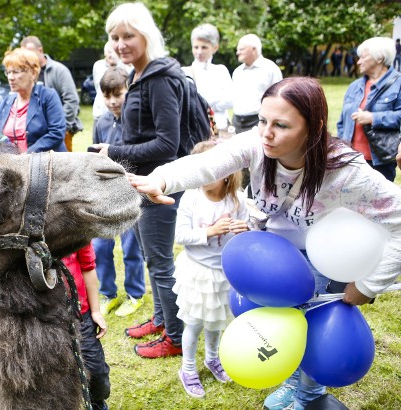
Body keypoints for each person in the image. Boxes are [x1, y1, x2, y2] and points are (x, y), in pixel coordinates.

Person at [128, 76, 401, 409]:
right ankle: (291, 382)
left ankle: (308, 392)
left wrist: (370, 285)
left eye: (281, 125)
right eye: (262, 120)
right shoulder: (258, 144)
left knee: (310, 330)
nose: (266, 133)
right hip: (267, 256)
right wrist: (160, 178)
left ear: (313, 128)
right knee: (280, 327)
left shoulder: (346, 172)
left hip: (317, 260)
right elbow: (207, 163)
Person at [93, 2, 205, 359]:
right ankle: (160, 319)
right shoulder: (138, 76)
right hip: (139, 182)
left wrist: (113, 151)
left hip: (159, 183)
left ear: (146, 35)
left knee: (160, 262)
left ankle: (174, 336)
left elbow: (167, 144)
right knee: (148, 257)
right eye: (115, 37)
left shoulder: (159, 79)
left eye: (128, 35)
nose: (121, 43)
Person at [173, 140, 249, 398]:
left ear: (227, 172)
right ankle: (188, 368)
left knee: (216, 321)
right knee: (194, 323)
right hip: (197, 271)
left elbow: (247, 232)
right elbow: (180, 236)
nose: (202, 178)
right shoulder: (191, 198)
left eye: (209, 172)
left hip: (223, 272)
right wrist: (210, 231)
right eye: (199, 171)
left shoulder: (238, 201)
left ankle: (212, 358)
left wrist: (244, 230)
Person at [92, 67, 145, 317]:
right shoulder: (100, 121)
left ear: (128, 92)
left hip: (131, 192)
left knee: (131, 247)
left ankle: (135, 294)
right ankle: (107, 293)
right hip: (105, 195)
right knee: (100, 247)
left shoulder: (135, 121)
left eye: (118, 94)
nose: (113, 101)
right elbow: (92, 156)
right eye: (107, 96)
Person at [337, 37, 401, 182]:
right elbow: (342, 122)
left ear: (380, 58)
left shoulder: (398, 84)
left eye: (363, 57)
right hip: (350, 160)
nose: (358, 61)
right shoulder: (354, 86)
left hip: (379, 162)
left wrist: (374, 118)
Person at [61, 244, 110, 410]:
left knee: (96, 370)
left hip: (81, 314)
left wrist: (95, 311)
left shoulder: (76, 230)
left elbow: (88, 267)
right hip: (46, 318)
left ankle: (98, 404)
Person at [0, 48, 66, 153]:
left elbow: (56, 133)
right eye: (8, 72)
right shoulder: (6, 102)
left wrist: (27, 156)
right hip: (12, 164)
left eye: (15, 72)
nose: (10, 77)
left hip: (46, 163)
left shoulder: (48, 96)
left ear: (33, 73)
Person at [20, 36, 83, 151]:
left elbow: (72, 100)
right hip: (36, 137)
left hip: (60, 131)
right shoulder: (27, 74)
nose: (26, 58)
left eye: (29, 53)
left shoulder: (59, 70)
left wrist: (61, 126)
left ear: (40, 50)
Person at [182, 23, 233, 131]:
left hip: (220, 129)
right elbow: (187, 104)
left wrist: (204, 103)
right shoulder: (185, 72)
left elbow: (230, 100)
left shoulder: (221, 70)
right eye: (196, 47)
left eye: (204, 47)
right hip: (196, 131)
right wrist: (216, 101)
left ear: (215, 48)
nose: (199, 52)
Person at [231, 34, 282, 133]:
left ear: (253, 49)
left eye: (241, 49)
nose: (237, 52)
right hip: (237, 122)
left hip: (259, 121)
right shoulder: (237, 71)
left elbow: (279, 98)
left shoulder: (270, 69)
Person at [92, 42, 121, 123]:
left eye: (114, 52)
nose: (112, 55)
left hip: (118, 113)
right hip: (99, 112)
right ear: (105, 53)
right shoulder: (98, 66)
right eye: (109, 52)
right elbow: (97, 87)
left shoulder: (124, 66)